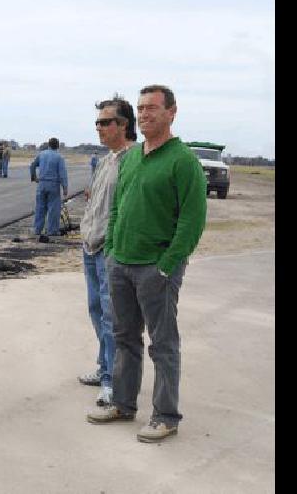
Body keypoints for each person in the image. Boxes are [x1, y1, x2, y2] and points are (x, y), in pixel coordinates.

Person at [86, 85, 207, 443]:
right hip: (120, 262)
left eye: (152, 108)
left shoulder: (183, 160)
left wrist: (167, 265)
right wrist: (112, 251)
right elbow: (119, 206)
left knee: (163, 344)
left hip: (156, 268)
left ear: (172, 112)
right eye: (140, 108)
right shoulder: (134, 156)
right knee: (124, 337)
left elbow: (192, 220)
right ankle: (123, 404)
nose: (144, 114)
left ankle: (166, 415)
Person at [76, 95, 137, 408]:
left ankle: (113, 382)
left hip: (108, 250)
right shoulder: (106, 159)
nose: (98, 127)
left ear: (123, 125)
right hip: (90, 245)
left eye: (105, 122)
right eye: (97, 122)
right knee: (97, 311)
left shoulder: (132, 159)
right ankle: (104, 369)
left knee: (113, 318)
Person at [28, 137, 68, 243]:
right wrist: (65, 188)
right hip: (53, 185)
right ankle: (52, 230)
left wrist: (34, 177)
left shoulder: (42, 154)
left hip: (41, 184)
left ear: (48, 145)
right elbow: (62, 174)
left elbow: (32, 165)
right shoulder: (59, 157)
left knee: (40, 208)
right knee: (53, 209)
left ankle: (37, 229)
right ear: (58, 146)